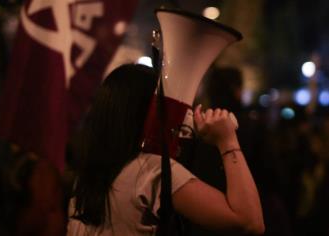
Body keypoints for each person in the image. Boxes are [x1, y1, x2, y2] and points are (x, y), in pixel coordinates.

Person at [67, 64, 265, 235]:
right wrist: (228, 140)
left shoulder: (86, 176)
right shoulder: (152, 170)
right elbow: (249, 222)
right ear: (145, 111)